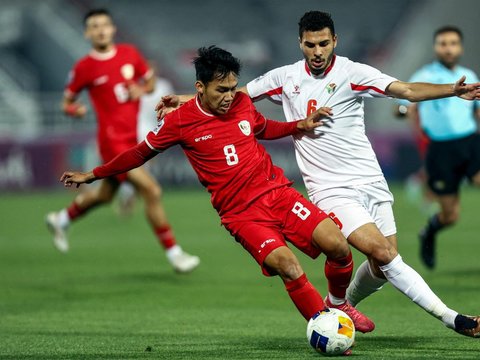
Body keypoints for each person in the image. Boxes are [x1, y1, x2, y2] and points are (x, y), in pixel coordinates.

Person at [156, 12, 480, 337]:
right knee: (383, 253)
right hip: (330, 189)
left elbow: (406, 89)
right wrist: (185, 99)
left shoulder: (353, 73)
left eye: (324, 43)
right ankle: (452, 318)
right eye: (310, 44)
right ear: (300, 43)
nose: (317, 51)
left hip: (371, 181)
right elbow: (234, 93)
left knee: (382, 269)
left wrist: (452, 90)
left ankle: (340, 303)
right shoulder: (284, 77)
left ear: (334, 41)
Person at [59, 45, 375, 346]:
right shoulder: (180, 122)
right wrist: (93, 174)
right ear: (200, 87)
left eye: (232, 88)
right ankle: (325, 330)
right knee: (288, 266)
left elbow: (263, 127)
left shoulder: (241, 103)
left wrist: (299, 125)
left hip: (278, 193)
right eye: (220, 90)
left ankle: (338, 305)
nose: (228, 97)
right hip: (242, 215)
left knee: (337, 245)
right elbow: (139, 154)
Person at [45, 8, 199, 273]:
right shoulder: (84, 67)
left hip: (133, 137)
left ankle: (62, 219)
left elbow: (149, 81)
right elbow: (66, 102)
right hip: (112, 141)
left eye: (105, 24)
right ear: (87, 33)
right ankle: (175, 254)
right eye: (95, 26)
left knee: (105, 196)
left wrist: (141, 88)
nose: (101, 29)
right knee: (152, 190)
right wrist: (75, 110)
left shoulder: (129, 53)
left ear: (113, 28)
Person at [396, 26, 480, 269]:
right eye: (443, 43)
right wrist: (404, 110)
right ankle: (429, 232)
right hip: (441, 151)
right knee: (450, 216)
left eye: (453, 43)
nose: (448, 48)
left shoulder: (468, 73)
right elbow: (399, 106)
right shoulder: (423, 75)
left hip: (470, 142)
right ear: (436, 47)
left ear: (460, 47)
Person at [117, 65, 176, 216]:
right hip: (143, 130)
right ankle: (139, 195)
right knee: (141, 168)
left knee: (136, 167)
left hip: (151, 129)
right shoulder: (140, 86)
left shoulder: (160, 85)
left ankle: (131, 194)